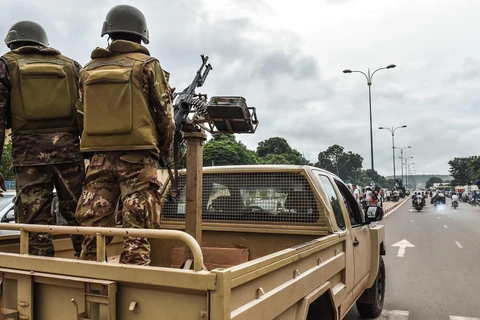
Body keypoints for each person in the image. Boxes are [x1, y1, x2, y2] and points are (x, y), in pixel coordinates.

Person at [75, 4, 175, 265]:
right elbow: (166, 117)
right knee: (136, 235)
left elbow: (80, 114)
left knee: (92, 233)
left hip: (98, 161)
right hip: (138, 160)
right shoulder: (148, 65)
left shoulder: (87, 70)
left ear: (108, 34)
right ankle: (133, 296)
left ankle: (87, 285)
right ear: (142, 35)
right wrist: (161, 150)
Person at [0, 21, 85, 257]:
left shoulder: (5, 65)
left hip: (28, 157)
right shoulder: (71, 66)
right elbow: (84, 114)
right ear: (42, 42)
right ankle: (92, 271)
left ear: (13, 43)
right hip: (69, 155)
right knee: (80, 218)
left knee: (34, 223)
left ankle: (41, 280)